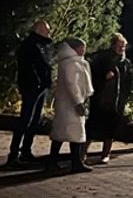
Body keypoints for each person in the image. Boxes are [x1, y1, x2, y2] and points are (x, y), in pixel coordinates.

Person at [6, 20, 52, 167]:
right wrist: (38, 81)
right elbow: (28, 66)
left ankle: (26, 151)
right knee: (25, 120)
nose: (48, 33)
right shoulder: (30, 45)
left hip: (40, 87)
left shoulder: (42, 45)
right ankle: (14, 154)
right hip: (32, 87)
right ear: (39, 30)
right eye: (46, 30)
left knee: (34, 120)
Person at [85, 33, 133, 164]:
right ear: (113, 46)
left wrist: (124, 96)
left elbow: (128, 81)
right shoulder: (103, 59)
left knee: (110, 129)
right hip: (101, 98)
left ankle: (105, 153)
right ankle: (82, 152)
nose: (122, 49)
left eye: (124, 46)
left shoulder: (125, 63)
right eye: (119, 46)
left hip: (116, 101)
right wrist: (103, 78)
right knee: (93, 127)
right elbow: (93, 76)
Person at [48, 38, 94, 173]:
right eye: (81, 47)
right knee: (68, 133)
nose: (84, 50)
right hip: (70, 105)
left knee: (70, 133)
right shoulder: (71, 64)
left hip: (70, 104)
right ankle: (72, 162)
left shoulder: (76, 63)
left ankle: (73, 161)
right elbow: (72, 84)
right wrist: (78, 101)